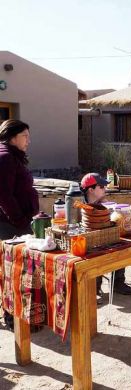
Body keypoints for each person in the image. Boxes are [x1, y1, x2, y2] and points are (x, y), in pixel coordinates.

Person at [0, 119, 39, 330]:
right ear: (12, 137)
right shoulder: (5, 157)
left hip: (14, 224)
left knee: (16, 271)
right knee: (12, 271)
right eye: (25, 136)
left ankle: (17, 315)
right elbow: (4, 196)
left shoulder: (11, 156)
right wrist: (21, 222)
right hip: (10, 226)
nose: (28, 141)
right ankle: (11, 318)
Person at [80, 173, 131, 302]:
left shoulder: (106, 204)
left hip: (107, 236)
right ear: (91, 189)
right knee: (94, 252)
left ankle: (118, 281)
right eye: (101, 187)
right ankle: (95, 287)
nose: (105, 189)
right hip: (91, 239)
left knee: (120, 243)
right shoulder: (82, 207)